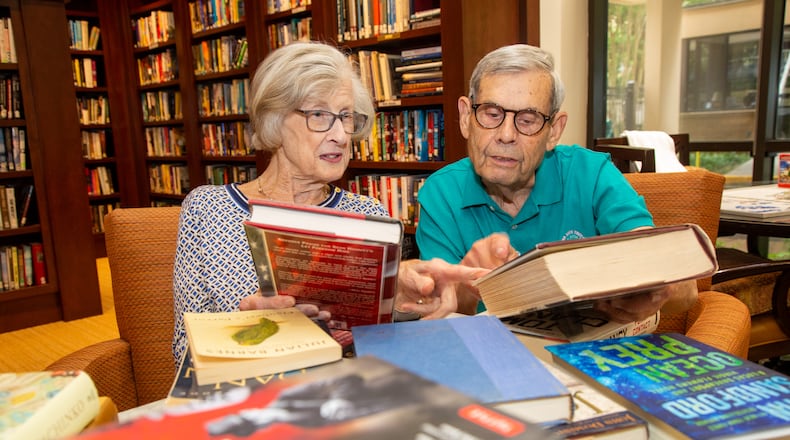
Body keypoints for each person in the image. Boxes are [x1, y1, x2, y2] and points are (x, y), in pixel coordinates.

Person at [172, 41, 485, 368]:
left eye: (346, 116)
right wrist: (249, 333)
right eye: (320, 115)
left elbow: (386, 342)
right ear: (275, 120)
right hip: (248, 394)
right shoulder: (206, 209)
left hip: (345, 393)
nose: (340, 135)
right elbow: (184, 351)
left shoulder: (367, 215)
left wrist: (408, 302)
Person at [415, 43, 698, 321]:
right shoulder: (440, 193)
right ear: (466, 117)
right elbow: (442, 313)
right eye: (491, 113)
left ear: (554, 131)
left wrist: (658, 286)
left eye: (527, 120)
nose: (506, 135)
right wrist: (469, 282)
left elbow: (687, 292)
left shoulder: (593, 173)